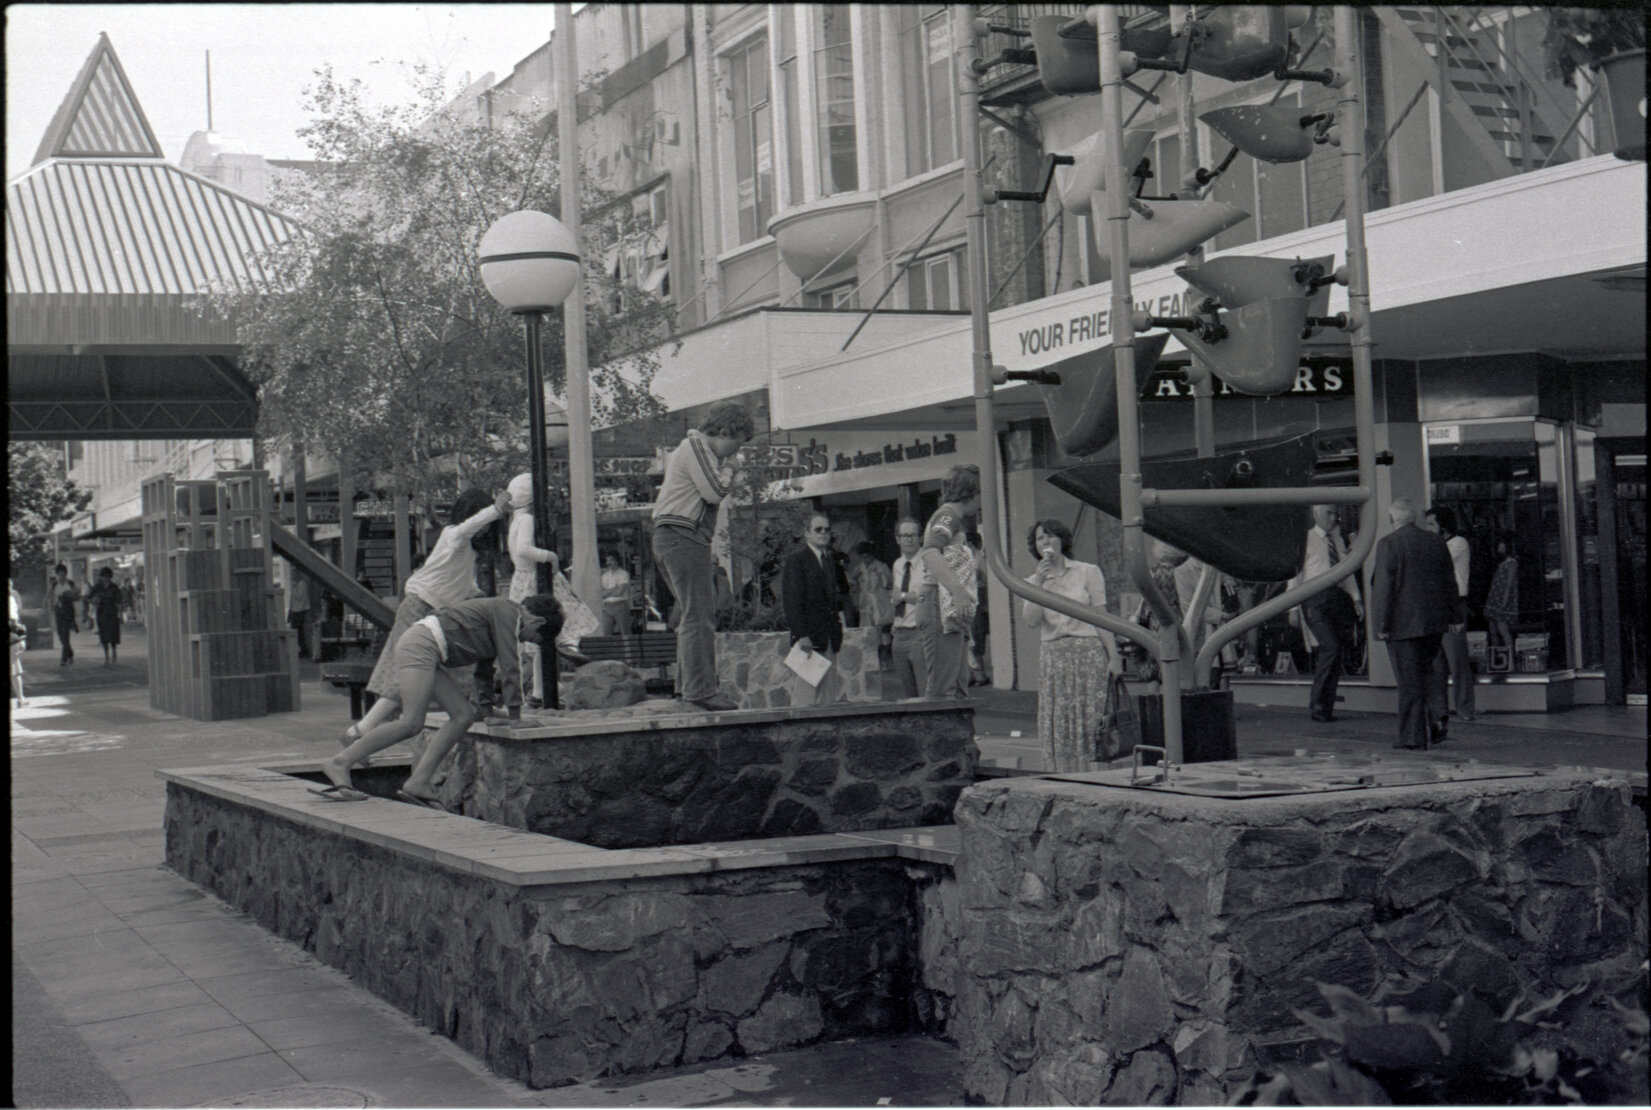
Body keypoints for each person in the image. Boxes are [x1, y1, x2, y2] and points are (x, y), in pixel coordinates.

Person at [316, 594, 563, 805]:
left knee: (463, 716)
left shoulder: (501, 619)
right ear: (537, 621)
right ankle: (341, 761)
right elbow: (511, 667)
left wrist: (488, 712)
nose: (524, 641)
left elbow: (484, 670)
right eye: (531, 637)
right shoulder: (510, 613)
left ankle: (419, 781)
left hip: (428, 649)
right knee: (412, 722)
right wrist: (516, 718)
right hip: (421, 644)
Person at [338, 487, 510, 756]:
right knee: (406, 675)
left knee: (409, 674)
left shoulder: (465, 551)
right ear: (474, 515)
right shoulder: (454, 535)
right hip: (421, 606)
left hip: (430, 609)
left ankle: (360, 732)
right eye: (486, 523)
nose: (488, 530)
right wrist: (496, 510)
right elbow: (466, 531)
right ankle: (360, 732)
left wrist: (481, 597)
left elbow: (463, 585)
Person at [650, 400, 754, 711]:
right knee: (699, 616)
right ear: (726, 430)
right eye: (737, 443)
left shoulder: (694, 449)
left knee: (689, 614)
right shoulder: (696, 446)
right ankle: (701, 691)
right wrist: (731, 469)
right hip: (683, 536)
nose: (735, 452)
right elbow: (713, 492)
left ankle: (687, 687)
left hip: (673, 536)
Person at [1022, 519, 1123, 773]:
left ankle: (1096, 773)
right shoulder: (1032, 580)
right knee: (1060, 719)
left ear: (1062, 540)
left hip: (1087, 652)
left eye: (1050, 536)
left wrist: (1114, 656)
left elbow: (1101, 615)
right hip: (1054, 656)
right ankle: (1062, 773)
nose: (1045, 542)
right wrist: (1039, 583)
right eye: (1040, 539)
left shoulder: (1087, 571)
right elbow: (1032, 621)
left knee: (1091, 718)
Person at [1370, 498, 1463, 750]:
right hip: (1434, 622)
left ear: (1393, 520)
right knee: (1430, 674)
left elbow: (1384, 587)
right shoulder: (1435, 541)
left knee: (1409, 681)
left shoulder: (1388, 544)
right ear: (1414, 518)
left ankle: (1412, 737)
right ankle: (1437, 717)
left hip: (1403, 624)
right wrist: (1455, 616)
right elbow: (1449, 581)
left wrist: (1381, 623)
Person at [919, 465, 982, 700]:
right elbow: (930, 553)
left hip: (946, 606)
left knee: (957, 686)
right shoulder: (948, 516)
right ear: (971, 492)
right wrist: (958, 591)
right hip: (938, 602)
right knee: (943, 688)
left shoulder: (951, 518)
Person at [1299, 504, 1362, 723]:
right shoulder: (1305, 539)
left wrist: (1356, 599)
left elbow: (1347, 570)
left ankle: (1326, 706)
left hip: (1336, 598)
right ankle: (1316, 703)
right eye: (1329, 513)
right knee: (1330, 647)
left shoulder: (1337, 540)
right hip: (1314, 599)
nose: (1333, 518)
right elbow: (1296, 575)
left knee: (1336, 651)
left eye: (1336, 513)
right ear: (1316, 513)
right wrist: (1290, 608)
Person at [505, 472, 561, 707]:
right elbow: (524, 549)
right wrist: (551, 557)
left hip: (521, 580)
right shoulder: (527, 519)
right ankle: (538, 690)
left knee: (524, 642)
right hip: (530, 579)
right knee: (540, 635)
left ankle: (526, 691)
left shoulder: (516, 519)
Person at [781, 513, 846, 706]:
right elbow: (791, 600)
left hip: (829, 637)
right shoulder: (797, 560)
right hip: (809, 639)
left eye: (827, 530)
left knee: (827, 697)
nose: (823, 533)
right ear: (807, 533)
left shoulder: (829, 560)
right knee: (805, 697)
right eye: (818, 529)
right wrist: (801, 635)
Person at [1425, 507, 1474, 722]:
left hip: (1454, 604)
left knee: (1457, 661)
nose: (1427, 529)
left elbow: (1435, 563)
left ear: (1442, 526)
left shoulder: (1458, 543)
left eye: (1431, 525)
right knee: (1437, 663)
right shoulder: (1436, 545)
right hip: (1436, 605)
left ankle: (1465, 709)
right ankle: (1441, 710)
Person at [887, 519, 932, 698]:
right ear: (898, 539)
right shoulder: (897, 565)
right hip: (899, 634)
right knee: (909, 693)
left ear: (920, 538)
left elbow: (928, 597)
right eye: (905, 536)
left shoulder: (928, 563)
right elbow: (895, 597)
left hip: (919, 633)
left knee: (925, 691)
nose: (909, 539)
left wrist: (904, 596)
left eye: (913, 535)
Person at [848, 541, 893, 651]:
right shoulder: (859, 568)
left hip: (880, 601)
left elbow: (890, 584)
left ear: (872, 555)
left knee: (883, 630)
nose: (865, 559)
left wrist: (881, 574)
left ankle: (884, 658)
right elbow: (851, 583)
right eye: (862, 557)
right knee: (868, 629)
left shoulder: (881, 566)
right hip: (866, 602)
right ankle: (872, 658)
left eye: (868, 557)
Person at [1483, 537, 1519, 652]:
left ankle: (1510, 660)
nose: (1499, 548)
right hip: (1495, 598)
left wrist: (1505, 599)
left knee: (1503, 629)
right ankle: (1497, 657)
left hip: (1502, 598)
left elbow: (1509, 582)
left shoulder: (1512, 563)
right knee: (1493, 629)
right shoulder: (1502, 563)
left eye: (1501, 546)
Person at [83, 567, 123, 667]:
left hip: (112, 612)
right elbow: (88, 597)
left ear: (109, 576)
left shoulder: (114, 587)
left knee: (113, 634)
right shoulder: (97, 587)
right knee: (104, 635)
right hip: (101, 613)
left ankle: (114, 651)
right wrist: (94, 603)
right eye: (103, 576)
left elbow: (119, 601)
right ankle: (106, 656)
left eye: (106, 576)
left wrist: (121, 614)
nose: (105, 578)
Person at [49, 564, 80, 666]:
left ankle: (64, 659)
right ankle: (70, 653)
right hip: (59, 611)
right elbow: (49, 596)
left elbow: (77, 596)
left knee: (65, 634)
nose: (62, 576)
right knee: (61, 635)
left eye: (63, 574)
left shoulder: (70, 583)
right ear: (57, 574)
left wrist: (69, 595)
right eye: (60, 574)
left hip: (68, 610)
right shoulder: (54, 584)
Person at [599, 552, 632, 636]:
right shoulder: (604, 576)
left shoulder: (623, 574)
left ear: (617, 561)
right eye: (607, 561)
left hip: (620, 604)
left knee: (625, 632)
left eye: (611, 560)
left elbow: (620, 592)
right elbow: (601, 594)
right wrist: (614, 588)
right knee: (606, 632)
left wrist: (608, 591)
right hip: (607, 606)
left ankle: (629, 648)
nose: (608, 563)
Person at [287, 570, 312, 660]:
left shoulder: (301, 584)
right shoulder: (297, 584)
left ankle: (303, 649)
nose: (292, 577)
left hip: (300, 610)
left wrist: (293, 588)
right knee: (298, 631)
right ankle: (301, 649)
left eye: (293, 574)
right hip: (295, 610)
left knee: (297, 631)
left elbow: (299, 597)